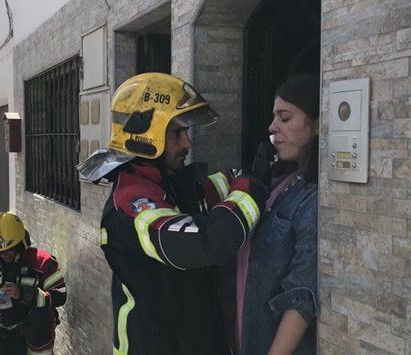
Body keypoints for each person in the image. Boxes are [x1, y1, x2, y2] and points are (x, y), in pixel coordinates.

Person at [76, 72, 269, 354]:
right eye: (177, 133)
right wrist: (253, 188)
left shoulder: (167, 183)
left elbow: (209, 188)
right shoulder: (131, 203)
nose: (187, 144)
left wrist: (247, 174)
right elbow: (206, 243)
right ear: (146, 136)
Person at [238, 74, 320, 355]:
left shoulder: (314, 199)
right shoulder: (280, 183)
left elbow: (302, 294)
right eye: (274, 118)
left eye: (285, 118)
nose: (272, 127)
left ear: (318, 124)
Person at [0, 212, 66, 355]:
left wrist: (23, 293)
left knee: (39, 328)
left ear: (21, 244)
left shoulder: (42, 262)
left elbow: (60, 296)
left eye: (9, 250)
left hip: (37, 328)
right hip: (6, 327)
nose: (4, 255)